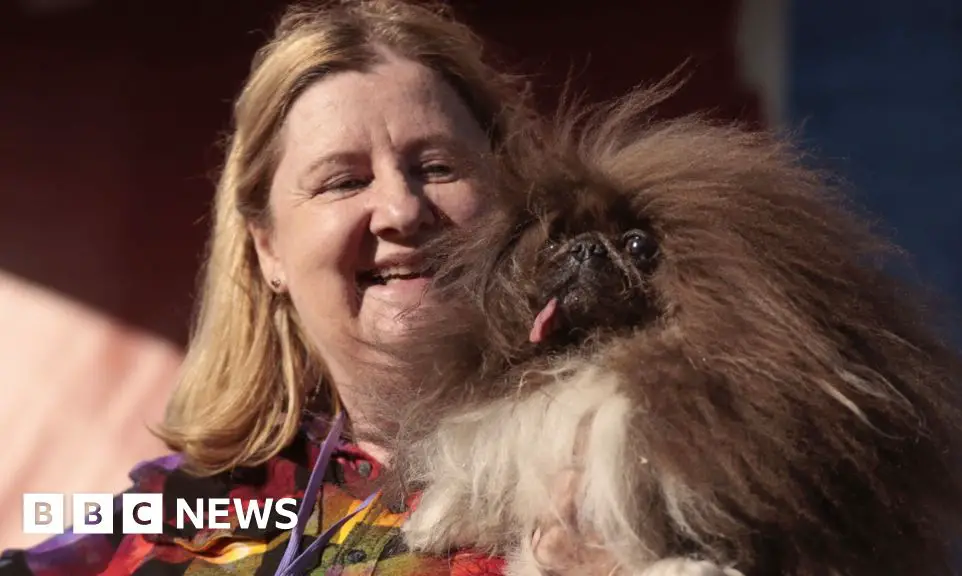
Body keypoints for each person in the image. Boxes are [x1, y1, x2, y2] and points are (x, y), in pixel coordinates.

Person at [0, 1, 575, 574]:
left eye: (438, 167)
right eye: (344, 180)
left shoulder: (610, 461)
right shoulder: (183, 512)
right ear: (268, 248)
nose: (401, 209)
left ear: (514, 194)